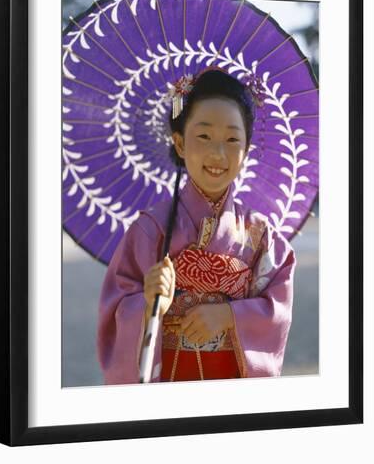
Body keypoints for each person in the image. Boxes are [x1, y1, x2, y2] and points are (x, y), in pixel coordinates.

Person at [97, 68, 296, 385]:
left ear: (246, 150)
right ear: (179, 143)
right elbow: (114, 310)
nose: (218, 153)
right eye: (203, 136)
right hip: (170, 378)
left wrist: (230, 316)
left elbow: (278, 308)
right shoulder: (150, 229)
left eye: (232, 139)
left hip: (231, 380)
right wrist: (149, 303)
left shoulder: (261, 233)